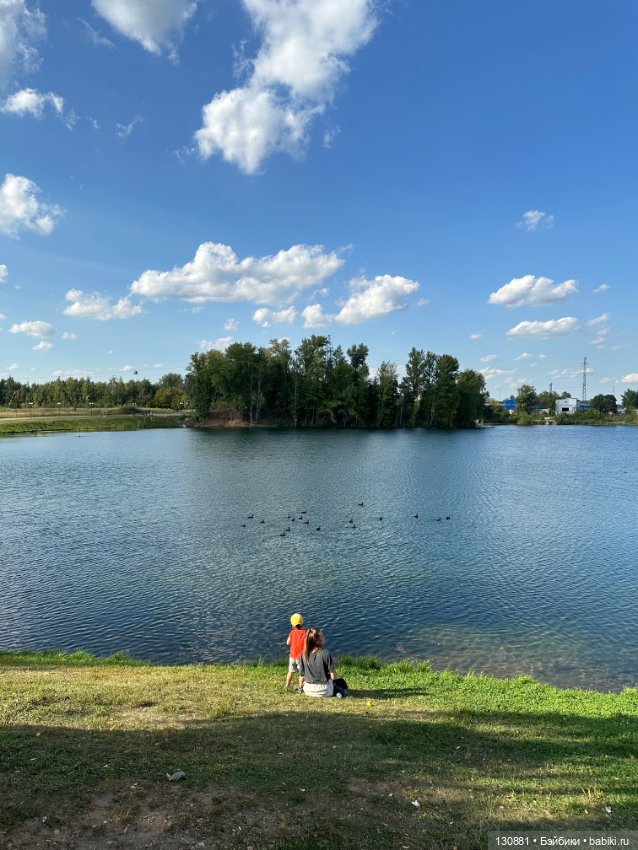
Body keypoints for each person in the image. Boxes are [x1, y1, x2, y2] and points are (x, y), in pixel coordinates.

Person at [298, 627, 348, 698]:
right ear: (317, 641)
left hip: (308, 690)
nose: (324, 637)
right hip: (324, 691)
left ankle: (337, 692)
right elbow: (333, 676)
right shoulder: (325, 653)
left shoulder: (303, 654)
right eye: (322, 636)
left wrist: (300, 687)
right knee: (341, 682)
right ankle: (339, 692)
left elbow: (301, 675)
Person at [285, 613, 307, 690]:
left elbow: (288, 643)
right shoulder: (305, 633)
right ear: (302, 623)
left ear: (292, 624)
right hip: (300, 658)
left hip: (292, 656)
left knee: (291, 671)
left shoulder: (291, 632)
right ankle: (300, 687)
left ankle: (287, 685)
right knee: (302, 674)